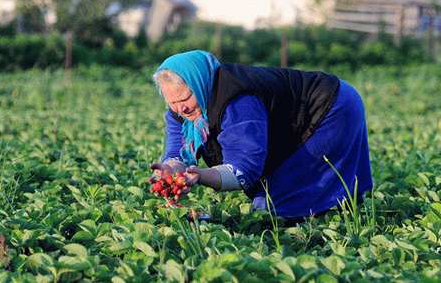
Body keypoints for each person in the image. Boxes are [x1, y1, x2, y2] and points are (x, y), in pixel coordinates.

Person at [149, 50, 372, 219]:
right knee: (278, 196)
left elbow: (244, 170)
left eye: (186, 98)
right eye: (172, 102)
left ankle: (325, 223)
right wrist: (171, 168)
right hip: (312, 108)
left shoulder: (237, 100)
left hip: (331, 106)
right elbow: (177, 149)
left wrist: (199, 176)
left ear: (199, 85)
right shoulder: (180, 112)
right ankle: (336, 212)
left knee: (276, 203)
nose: (181, 108)